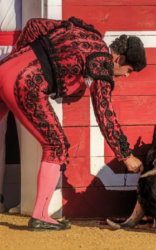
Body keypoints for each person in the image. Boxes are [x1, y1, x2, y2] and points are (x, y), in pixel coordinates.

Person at [0, 16, 147, 231]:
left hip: (4, 67)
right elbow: (104, 113)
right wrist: (126, 155)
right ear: (119, 59)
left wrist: (17, 57)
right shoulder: (102, 62)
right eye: (129, 71)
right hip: (26, 83)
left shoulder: (87, 33)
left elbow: (34, 25)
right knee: (56, 146)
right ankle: (41, 215)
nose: (125, 76)